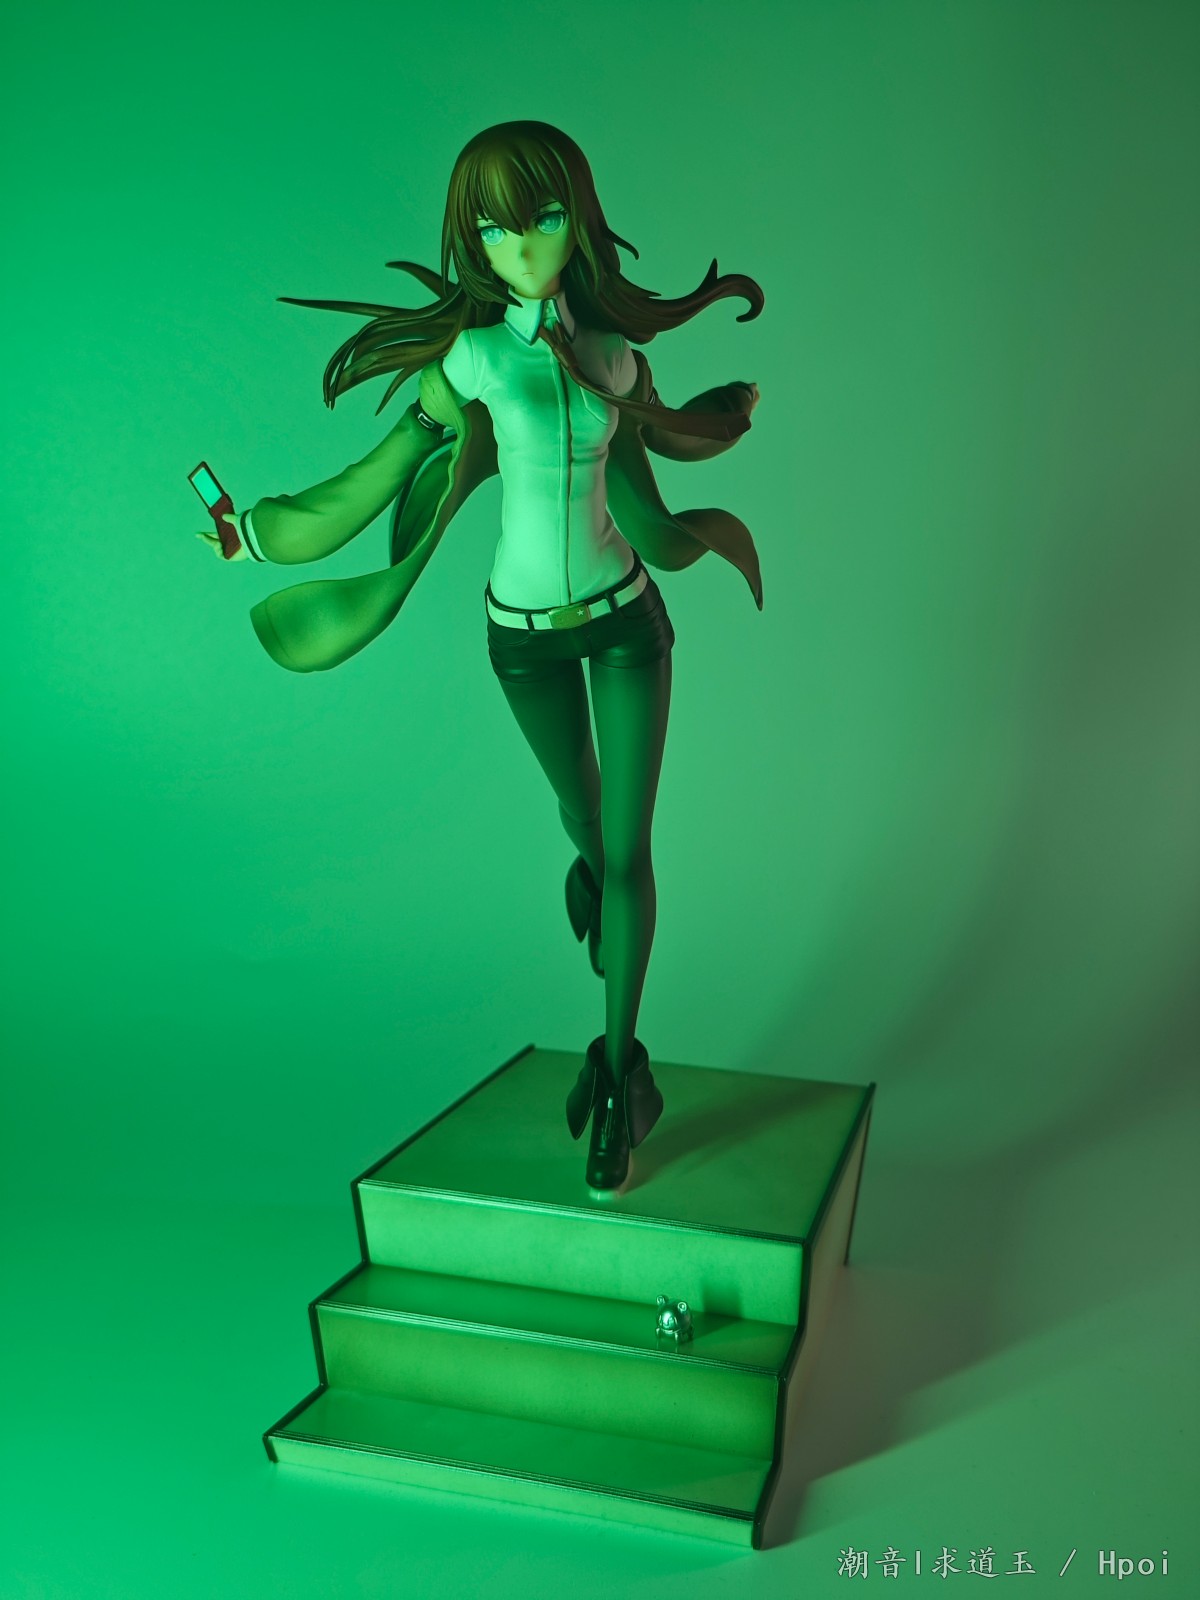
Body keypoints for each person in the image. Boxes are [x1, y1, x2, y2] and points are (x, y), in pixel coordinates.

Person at [197, 121, 764, 1194]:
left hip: (626, 621)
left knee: (630, 849)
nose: (524, 246)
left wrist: (727, 414)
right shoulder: (470, 361)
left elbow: (650, 485)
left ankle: (620, 1075)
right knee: (584, 817)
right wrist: (257, 536)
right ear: (474, 242)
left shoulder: (614, 357)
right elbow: (371, 477)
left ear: (578, 220)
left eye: (543, 218)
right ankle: (594, 874)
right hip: (524, 639)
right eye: (498, 230)